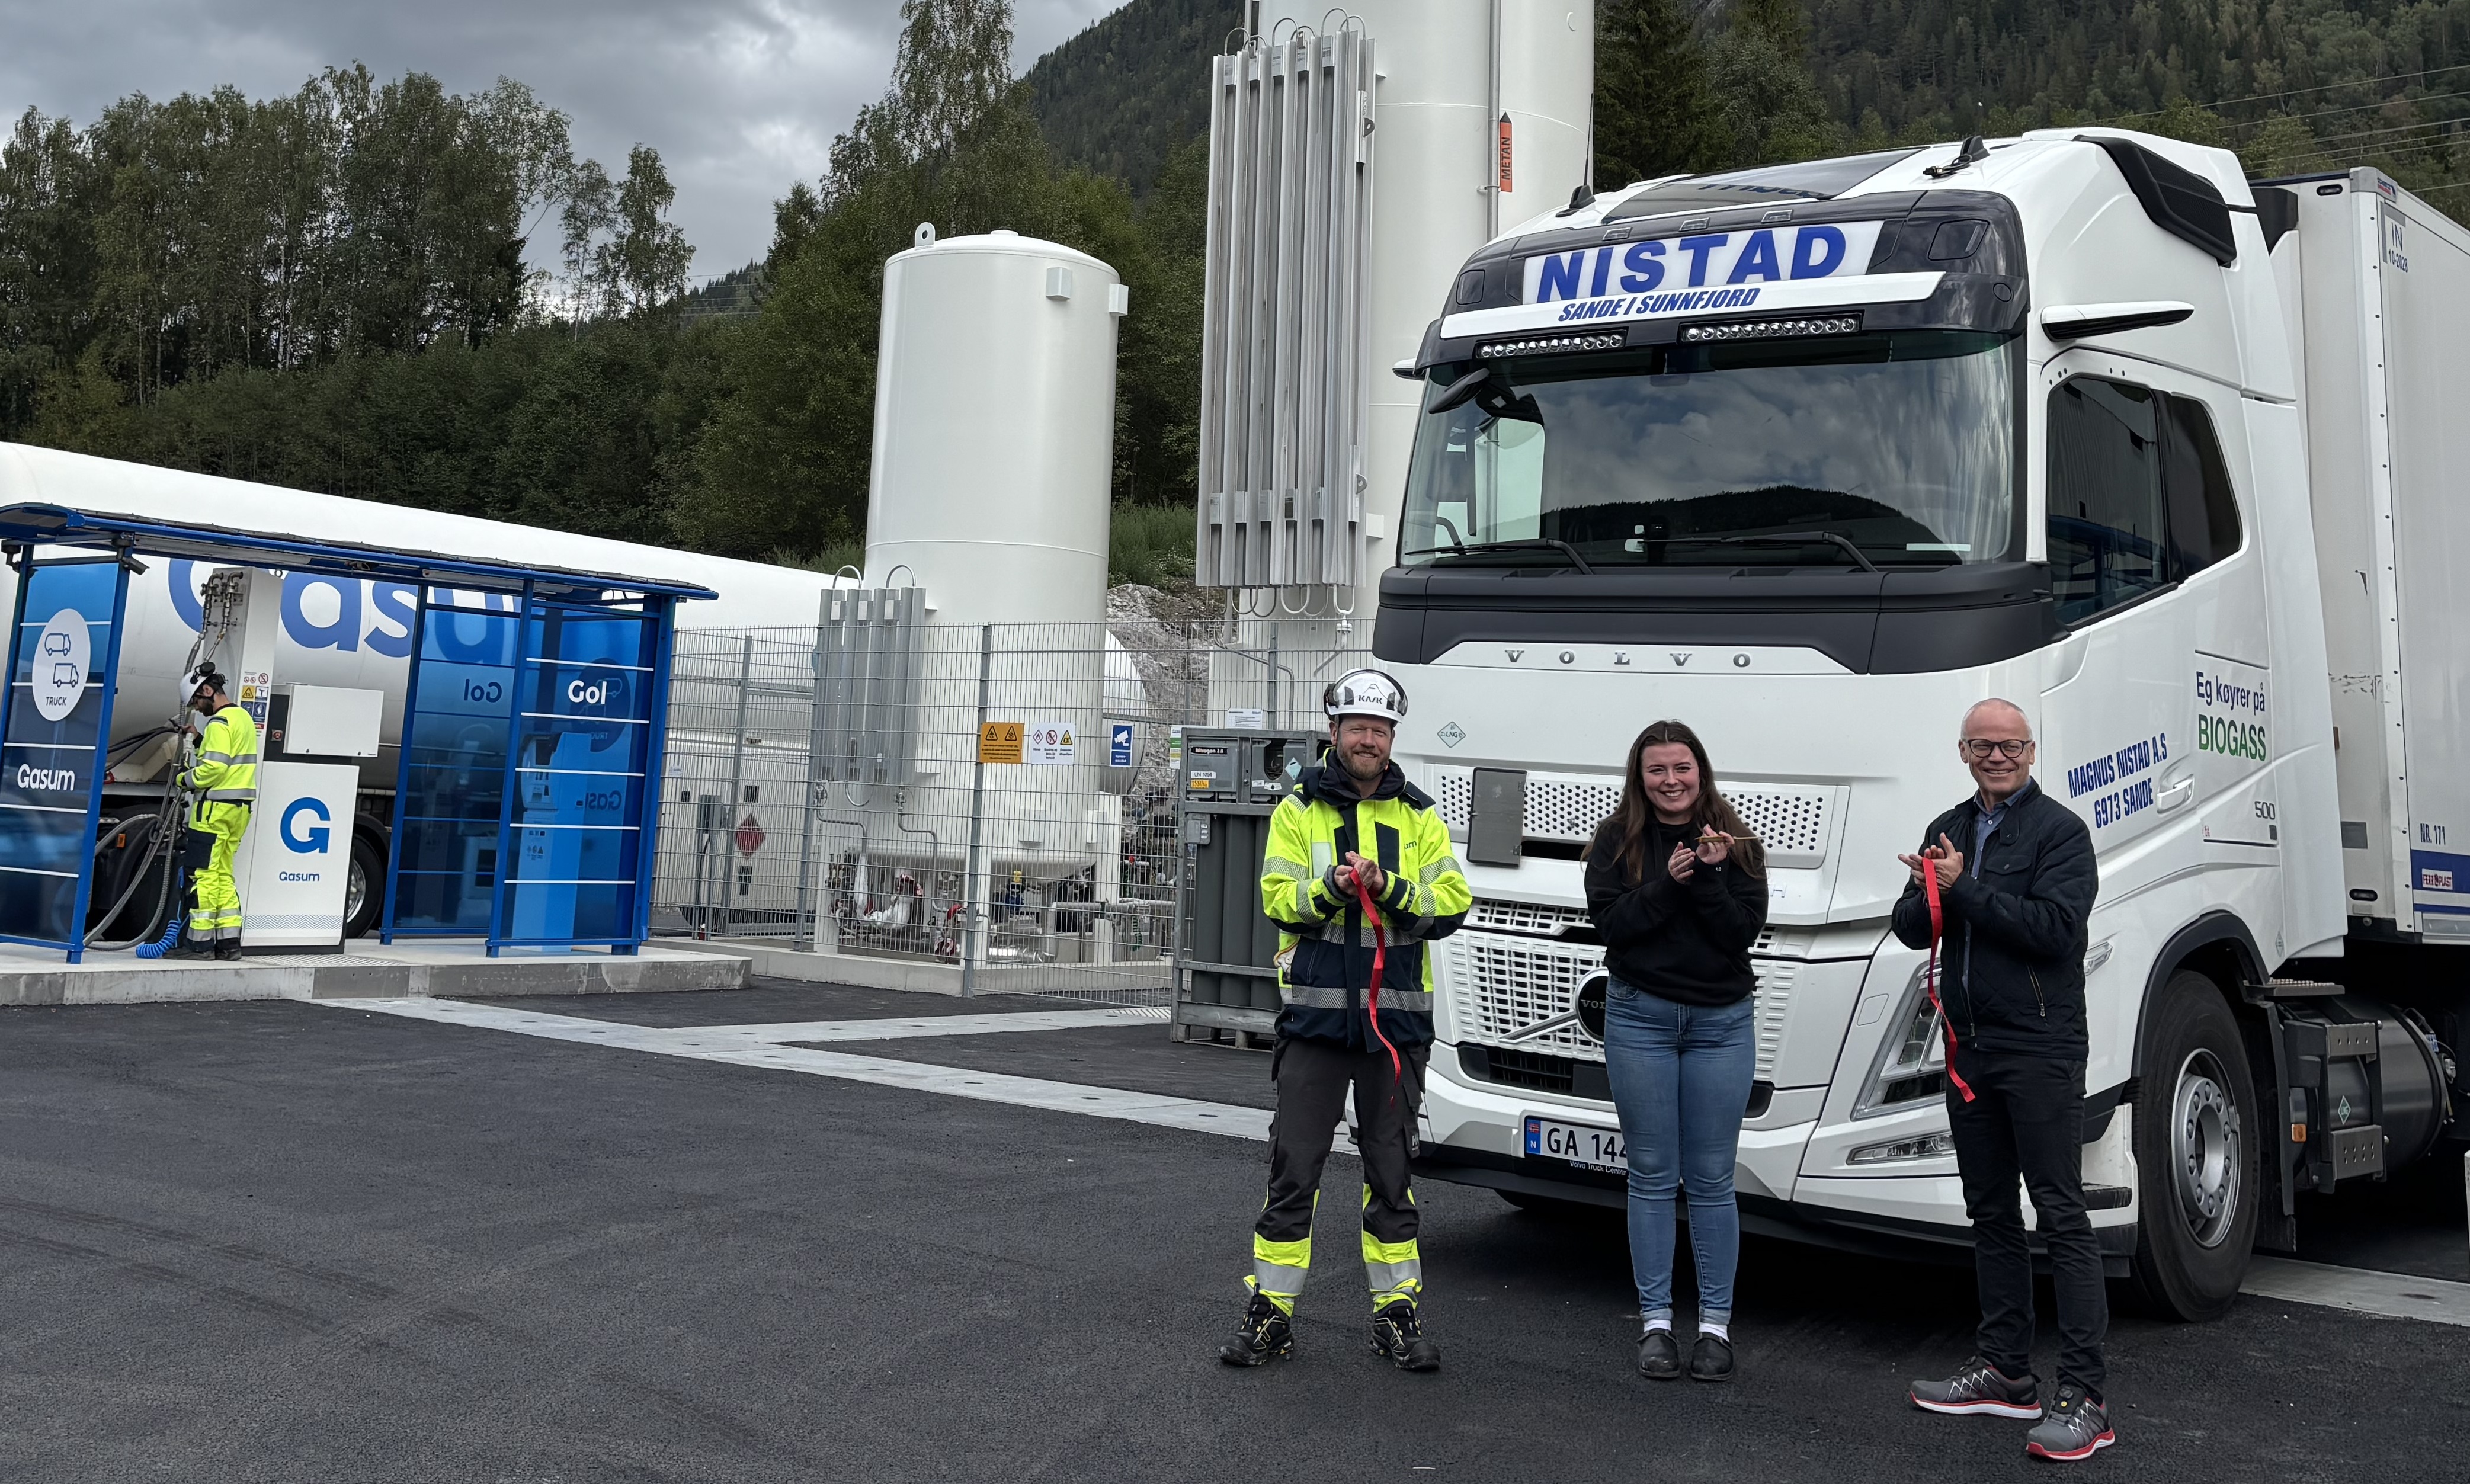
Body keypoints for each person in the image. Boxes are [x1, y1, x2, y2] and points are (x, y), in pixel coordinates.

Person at [1219, 668, 1471, 1371]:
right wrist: (1330, 888)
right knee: (1292, 1171)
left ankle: (1396, 1316)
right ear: (1333, 734)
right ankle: (1270, 1313)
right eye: (1357, 727)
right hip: (1316, 1028)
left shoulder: (1418, 815)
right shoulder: (1298, 810)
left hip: (1393, 1032)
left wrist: (1387, 886)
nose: (1369, 739)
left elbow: (1450, 905)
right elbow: (1276, 898)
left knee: (1391, 1176)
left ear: (1392, 739)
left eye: (1380, 730)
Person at [1894, 698, 2110, 1461]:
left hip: (2040, 1045)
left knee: (2059, 1212)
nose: (1995, 756)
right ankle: (2005, 1374)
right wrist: (1924, 888)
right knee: (1988, 1210)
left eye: (2008, 745)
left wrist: (1960, 889)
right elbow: (1910, 926)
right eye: (1981, 746)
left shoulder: (2060, 832)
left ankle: (2084, 1397)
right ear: (1961, 751)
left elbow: (2054, 931)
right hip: (1968, 1046)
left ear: (2028, 751)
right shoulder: (1946, 827)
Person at [1583, 720, 1767, 1384]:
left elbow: (1740, 935)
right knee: (1652, 1175)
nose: (1670, 781)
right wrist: (1669, 882)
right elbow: (1612, 929)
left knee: (1713, 1179)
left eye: (1681, 769)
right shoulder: (1615, 839)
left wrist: (1710, 877)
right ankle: (1656, 1324)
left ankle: (1714, 1328)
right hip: (1640, 1019)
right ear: (1639, 777)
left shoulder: (1734, 840)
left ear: (1700, 772)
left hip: (1721, 1023)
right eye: (1656, 770)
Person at [168, 666, 258, 961]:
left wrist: (184, 779)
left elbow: (214, 768)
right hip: (238, 810)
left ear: (207, 691)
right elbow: (226, 756)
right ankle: (229, 945)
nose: (197, 708)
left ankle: (200, 945)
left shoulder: (220, 723)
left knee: (203, 876)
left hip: (213, 811)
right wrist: (197, 738)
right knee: (222, 875)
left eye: (196, 701)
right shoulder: (242, 718)